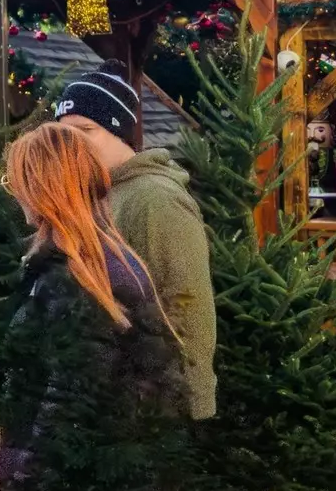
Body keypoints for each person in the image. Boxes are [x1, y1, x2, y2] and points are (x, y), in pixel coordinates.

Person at [0, 122, 224, 491]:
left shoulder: (77, 276)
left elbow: (71, 398)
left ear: (43, 187)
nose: (14, 191)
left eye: (16, 180)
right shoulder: (105, 262)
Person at [52, 66, 217, 419]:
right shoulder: (97, 194)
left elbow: (188, 301)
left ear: (118, 131)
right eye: (64, 136)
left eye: (85, 131)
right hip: (108, 401)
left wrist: (186, 399)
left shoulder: (154, 198)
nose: (74, 146)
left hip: (155, 407)